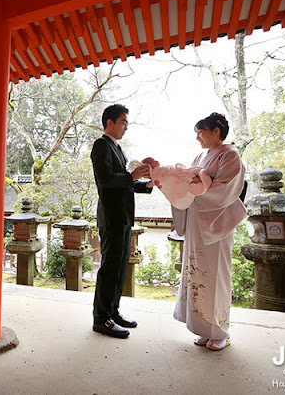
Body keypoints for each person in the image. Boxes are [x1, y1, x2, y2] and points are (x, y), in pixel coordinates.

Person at [167, 112, 246, 351]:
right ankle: (203, 328)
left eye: (201, 131)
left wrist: (196, 188)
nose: (198, 137)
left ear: (216, 131)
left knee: (217, 274)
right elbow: (193, 184)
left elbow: (226, 190)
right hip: (196, 219)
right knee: (195, 270)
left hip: (217, 222)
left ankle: (220, 330)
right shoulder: (201, 156)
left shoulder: (230, 155)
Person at [90, 104, 157, 339]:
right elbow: (105, 180)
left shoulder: (118, 148)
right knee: (110, 267)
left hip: (124, 216)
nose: (126, 127)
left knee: (120, 267)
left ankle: (113, 311)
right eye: (123, 122)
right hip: (111, 216)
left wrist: (148, 184)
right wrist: (131, 176)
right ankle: (101, 318)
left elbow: (125, 182)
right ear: (110, 122)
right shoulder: (102, 145)